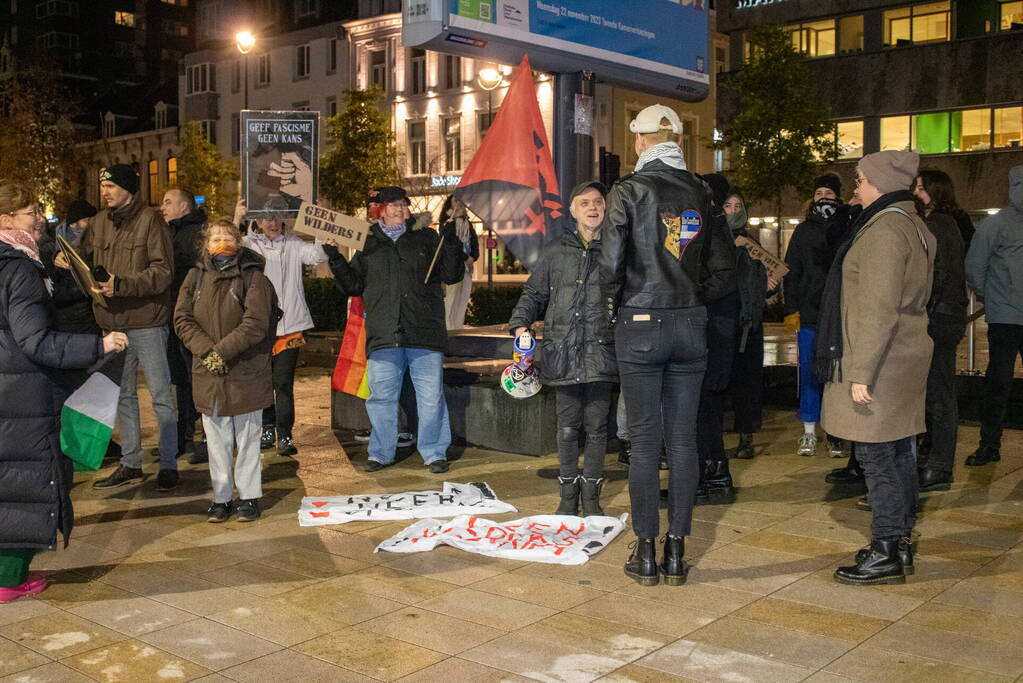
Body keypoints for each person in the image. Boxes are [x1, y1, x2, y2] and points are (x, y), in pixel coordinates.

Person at [599, 104, 734, 587]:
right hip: (690, 324)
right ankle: (678, 551)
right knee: (682, 440)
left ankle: (647, 551)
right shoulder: (702, 192)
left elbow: (610, 266)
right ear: (678, 139)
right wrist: (692, 299)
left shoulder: (629, 190)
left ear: (640, 141)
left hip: (640, 322)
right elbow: (725, 270)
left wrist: (613, 310)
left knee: (643, 441)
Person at [0, 182, 128, 602]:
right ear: (6, 221)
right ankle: (8, 580)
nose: (41, 218)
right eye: (31, 212)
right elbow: (35, 340)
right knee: (27, 484)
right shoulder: (18, 268)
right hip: (21, 392)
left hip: (8, 385)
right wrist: (99, 345)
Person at [819, 151, 934, 586]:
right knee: (900, 453)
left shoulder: (885, 230)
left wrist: (860, 371)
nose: (856, 188)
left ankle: (885, 549)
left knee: (878, 456)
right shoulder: (912, 224)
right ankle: (899, 541)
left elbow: (879, 309)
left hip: (881, 360)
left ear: (882, 183)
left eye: (862, 180)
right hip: (903, 355)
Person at [326, 186, 464, 473]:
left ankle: (434, 452)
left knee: (430, 395)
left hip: (424, 331)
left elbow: (451, 275)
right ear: (381, 209)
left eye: (403, 204)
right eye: (393, 205)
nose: (400, 209)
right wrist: (335, 258)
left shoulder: (426, 237)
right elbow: (353, 286)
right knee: (381, 397)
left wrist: (451, 244)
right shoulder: (368, 242)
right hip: (384, 333)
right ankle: (380, 452)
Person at [66, 164, 179, 492]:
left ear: (129, 188)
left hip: (146, 322)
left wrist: (123, 285)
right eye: (103, 187)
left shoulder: (151, 220)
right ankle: (131, 462)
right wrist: (69, 262)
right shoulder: (99, 221)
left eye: (112, 186)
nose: (105, 192)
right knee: (123, 395)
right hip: (110, 322)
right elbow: (85, 260)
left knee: (160, 394)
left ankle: (169, 464)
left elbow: (163, 272)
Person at [509, 180, 617, 516]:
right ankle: (568, 497)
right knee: (568, 428)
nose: (592, 207)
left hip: (601, 351)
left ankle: (593, 498)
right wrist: (520, 323)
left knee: (598, 429)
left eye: (598, 202)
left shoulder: (616, 250)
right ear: (573, 210)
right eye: (584, 202)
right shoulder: (556, 250)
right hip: (563, 350)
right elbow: (534, 293)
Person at [174, 218, 275, 523]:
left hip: (245, 370)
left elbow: (255, 324)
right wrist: (207, 352)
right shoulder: (194, 277)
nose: (220, 242)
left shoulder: (254, 278)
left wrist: (221, 352)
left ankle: (248, 497)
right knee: (215, 440)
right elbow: (182, 319)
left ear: (239, 242)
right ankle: (220, 498)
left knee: (247, 437)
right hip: (209, 370)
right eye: (214, 238)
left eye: (227, 237)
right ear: (205, 245)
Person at [237, 196, 328, 457]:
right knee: (263, 382)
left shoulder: (295, 243)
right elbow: (230, 248)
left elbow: (317, 255)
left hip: (290, 326)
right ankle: (266, 428)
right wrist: (236, 217)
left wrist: (321, 221)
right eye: (266, 218)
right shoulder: (249, 245)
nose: (272, 223)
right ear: (257, 221)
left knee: (283, 383)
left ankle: (285, 434)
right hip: (259, 328)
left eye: (277, 217)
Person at [784, 174, 850, 457]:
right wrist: (792, 309)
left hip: (839, 314)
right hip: (810, 314)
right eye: (819, 191)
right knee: (811, 373)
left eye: (829, 192)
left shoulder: (848, 227)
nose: (823, 196)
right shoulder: (803, 231)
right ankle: (809, 432)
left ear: (838, 197)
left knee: (836, 377)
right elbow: (792, 271)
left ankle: (836, 434)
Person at [964, 164, 1023, 467]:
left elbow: (975, 267)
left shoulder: (994, 225)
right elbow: (975, 267)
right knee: (997, 383)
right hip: (1004, 316)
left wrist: (991, 296)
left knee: (997, 384)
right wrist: (993, 297)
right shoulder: (995, 225)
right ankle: (989, 444)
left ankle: (989, 445)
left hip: (1003, 314)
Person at [913, 170, 966, 491]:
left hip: (939, 320)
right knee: (932, 392)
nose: (916, 192)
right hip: (940, 317)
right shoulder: (940, 224)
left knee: (940, 394)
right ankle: (931, 454)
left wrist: (921, 310)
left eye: (921, 188)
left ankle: (940, 464)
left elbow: (937, 277)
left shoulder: (939, 226)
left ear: (936, 192)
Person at [694, 173, 741, 503]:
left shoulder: (712, 222)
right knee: (702, 408)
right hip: (712, 327)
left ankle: (710, 476)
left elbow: (724, 277)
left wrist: (690, 295)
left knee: (702, 407)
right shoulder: (710, 221)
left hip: (713, 329)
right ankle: (713, 475)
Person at [723, 192, 778, 460]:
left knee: (747, 387)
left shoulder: (751, 243)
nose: (733, 210)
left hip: (749, 325)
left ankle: (746, 437)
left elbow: (769, 277)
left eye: (738, 206)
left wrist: (767, 286)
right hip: (722, 324)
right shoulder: (716, 240)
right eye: (728, 205)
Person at [160, 188, 207, 464]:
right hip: (172, 316)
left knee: (195, 378)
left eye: (168, 202)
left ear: (185, 206)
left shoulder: (198, 234)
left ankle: (202, 437)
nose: (162, 206)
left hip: (192, 319)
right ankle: (183, 436)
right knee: (180, 380)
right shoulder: (167, 232)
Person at [440, 194, 479, 330]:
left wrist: (473, 257)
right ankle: (449, 328)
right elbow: (450, 244)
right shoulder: (448, 223)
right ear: (449, 204)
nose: (459, 204)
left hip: (467, 268)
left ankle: (458, 327)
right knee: (451, 299)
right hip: (453, 267)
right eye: (455, 201)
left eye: (461, 201)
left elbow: (474, 241)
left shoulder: (467, 223)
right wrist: (465, 257)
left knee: (463, 299)